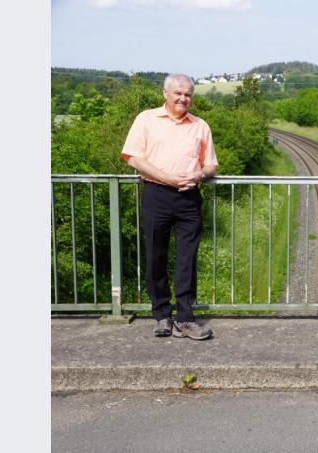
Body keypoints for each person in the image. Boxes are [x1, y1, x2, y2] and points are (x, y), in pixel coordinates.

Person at [121, 73, 218, 340]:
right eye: (178, 93)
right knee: (156, 257)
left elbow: (211, 164)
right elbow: (133, 158)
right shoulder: (146, 119)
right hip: (156, 195)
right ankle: (162, 315)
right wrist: (168, 178)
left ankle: (185, 319)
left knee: (187, 260)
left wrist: (199, 176)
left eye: (187, 94)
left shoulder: (200, 126)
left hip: (189, 199)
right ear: (165, 94)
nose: (183, 98)